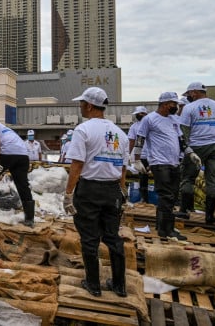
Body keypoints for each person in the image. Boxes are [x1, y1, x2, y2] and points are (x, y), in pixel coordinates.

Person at [62, 87, 129, 298]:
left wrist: (68, 193)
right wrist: (123, 190)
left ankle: (93, 285)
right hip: (112, 191)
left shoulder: (83, 130)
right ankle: (119, 285)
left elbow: (77, 165)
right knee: (113, 238)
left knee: (90, 239)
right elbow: (123, 167)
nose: (80, 106)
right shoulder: (120, 133)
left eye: (81, 103)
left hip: (89, 190)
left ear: (89, 105)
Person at [135, 92, 193, 240]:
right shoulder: (149, 119)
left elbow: (181, 139)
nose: (176, 107)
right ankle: (165, 230)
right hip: (159, 162)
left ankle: (165, 227)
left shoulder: (174, 119)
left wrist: (190, 152)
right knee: (166, 195)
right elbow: (140, 139)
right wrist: (137, 159)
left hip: (174, 162)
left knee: (172, 197)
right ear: (165, 104)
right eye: (174, 104)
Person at [179, 82, 215, 224]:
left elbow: (183, 132)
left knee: (188, 178)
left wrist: (187, 150)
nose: (188, 97)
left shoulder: (189, 108)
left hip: (195, 147)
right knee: (213, 180)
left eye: (188, 94)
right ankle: (209, 216)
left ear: (194, 93)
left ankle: (184, 211)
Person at [127, 106, 150, 203]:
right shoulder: (134, 126)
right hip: (141, 156)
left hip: (153, 155)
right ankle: (144, 199)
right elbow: (131, 141)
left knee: (158, 176)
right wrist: (128, 154)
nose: (138, 115)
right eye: (137, 114)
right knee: (143, 178)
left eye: (140, 113)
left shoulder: (151, 124)